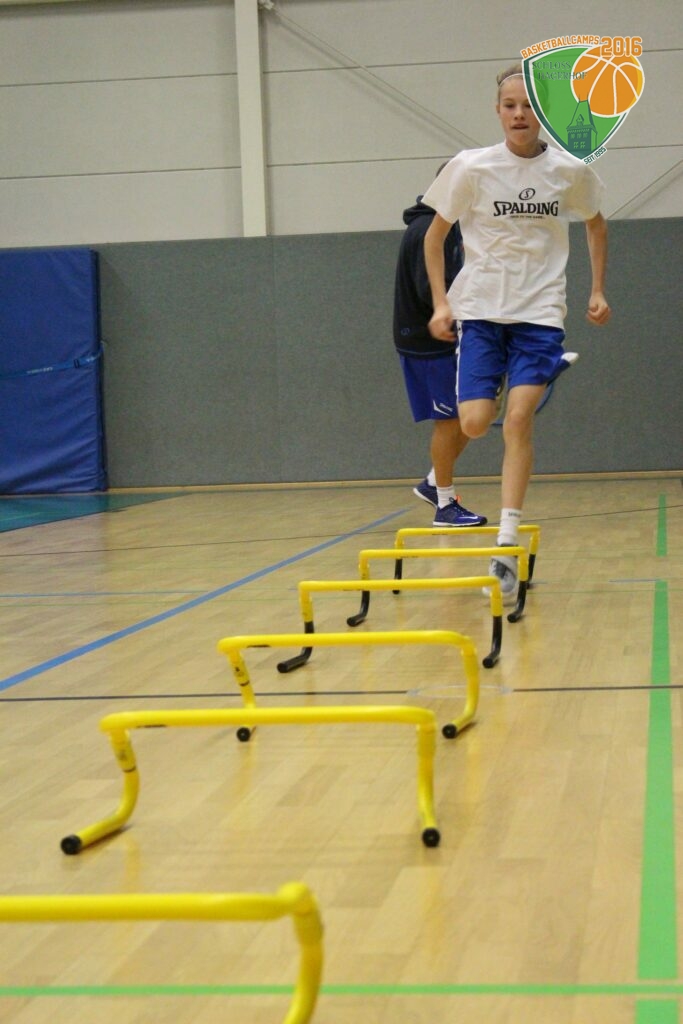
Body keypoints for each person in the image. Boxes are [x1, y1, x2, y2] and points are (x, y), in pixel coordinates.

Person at [423, 63, 610, 593]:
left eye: (528, 106)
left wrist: (597, 289)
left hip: (539, 313)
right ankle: (532, 375)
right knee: (475, 423)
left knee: (517, 421)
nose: (519, 114)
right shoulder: (471, 167)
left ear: (543, 113)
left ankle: (505, 546)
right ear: (498, 111)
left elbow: (596, 223)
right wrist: (441, 303)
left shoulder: (570, 171)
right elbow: (433, 238)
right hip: (482, 312)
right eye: (510, 106)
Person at [393, 166, 487, 527]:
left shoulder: (450, 226)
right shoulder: (427, 231)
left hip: (447, 336)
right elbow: (432, 292)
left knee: (477, 410)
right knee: (449, 420)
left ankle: (434, 482)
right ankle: (445, 505)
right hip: (427, 340)